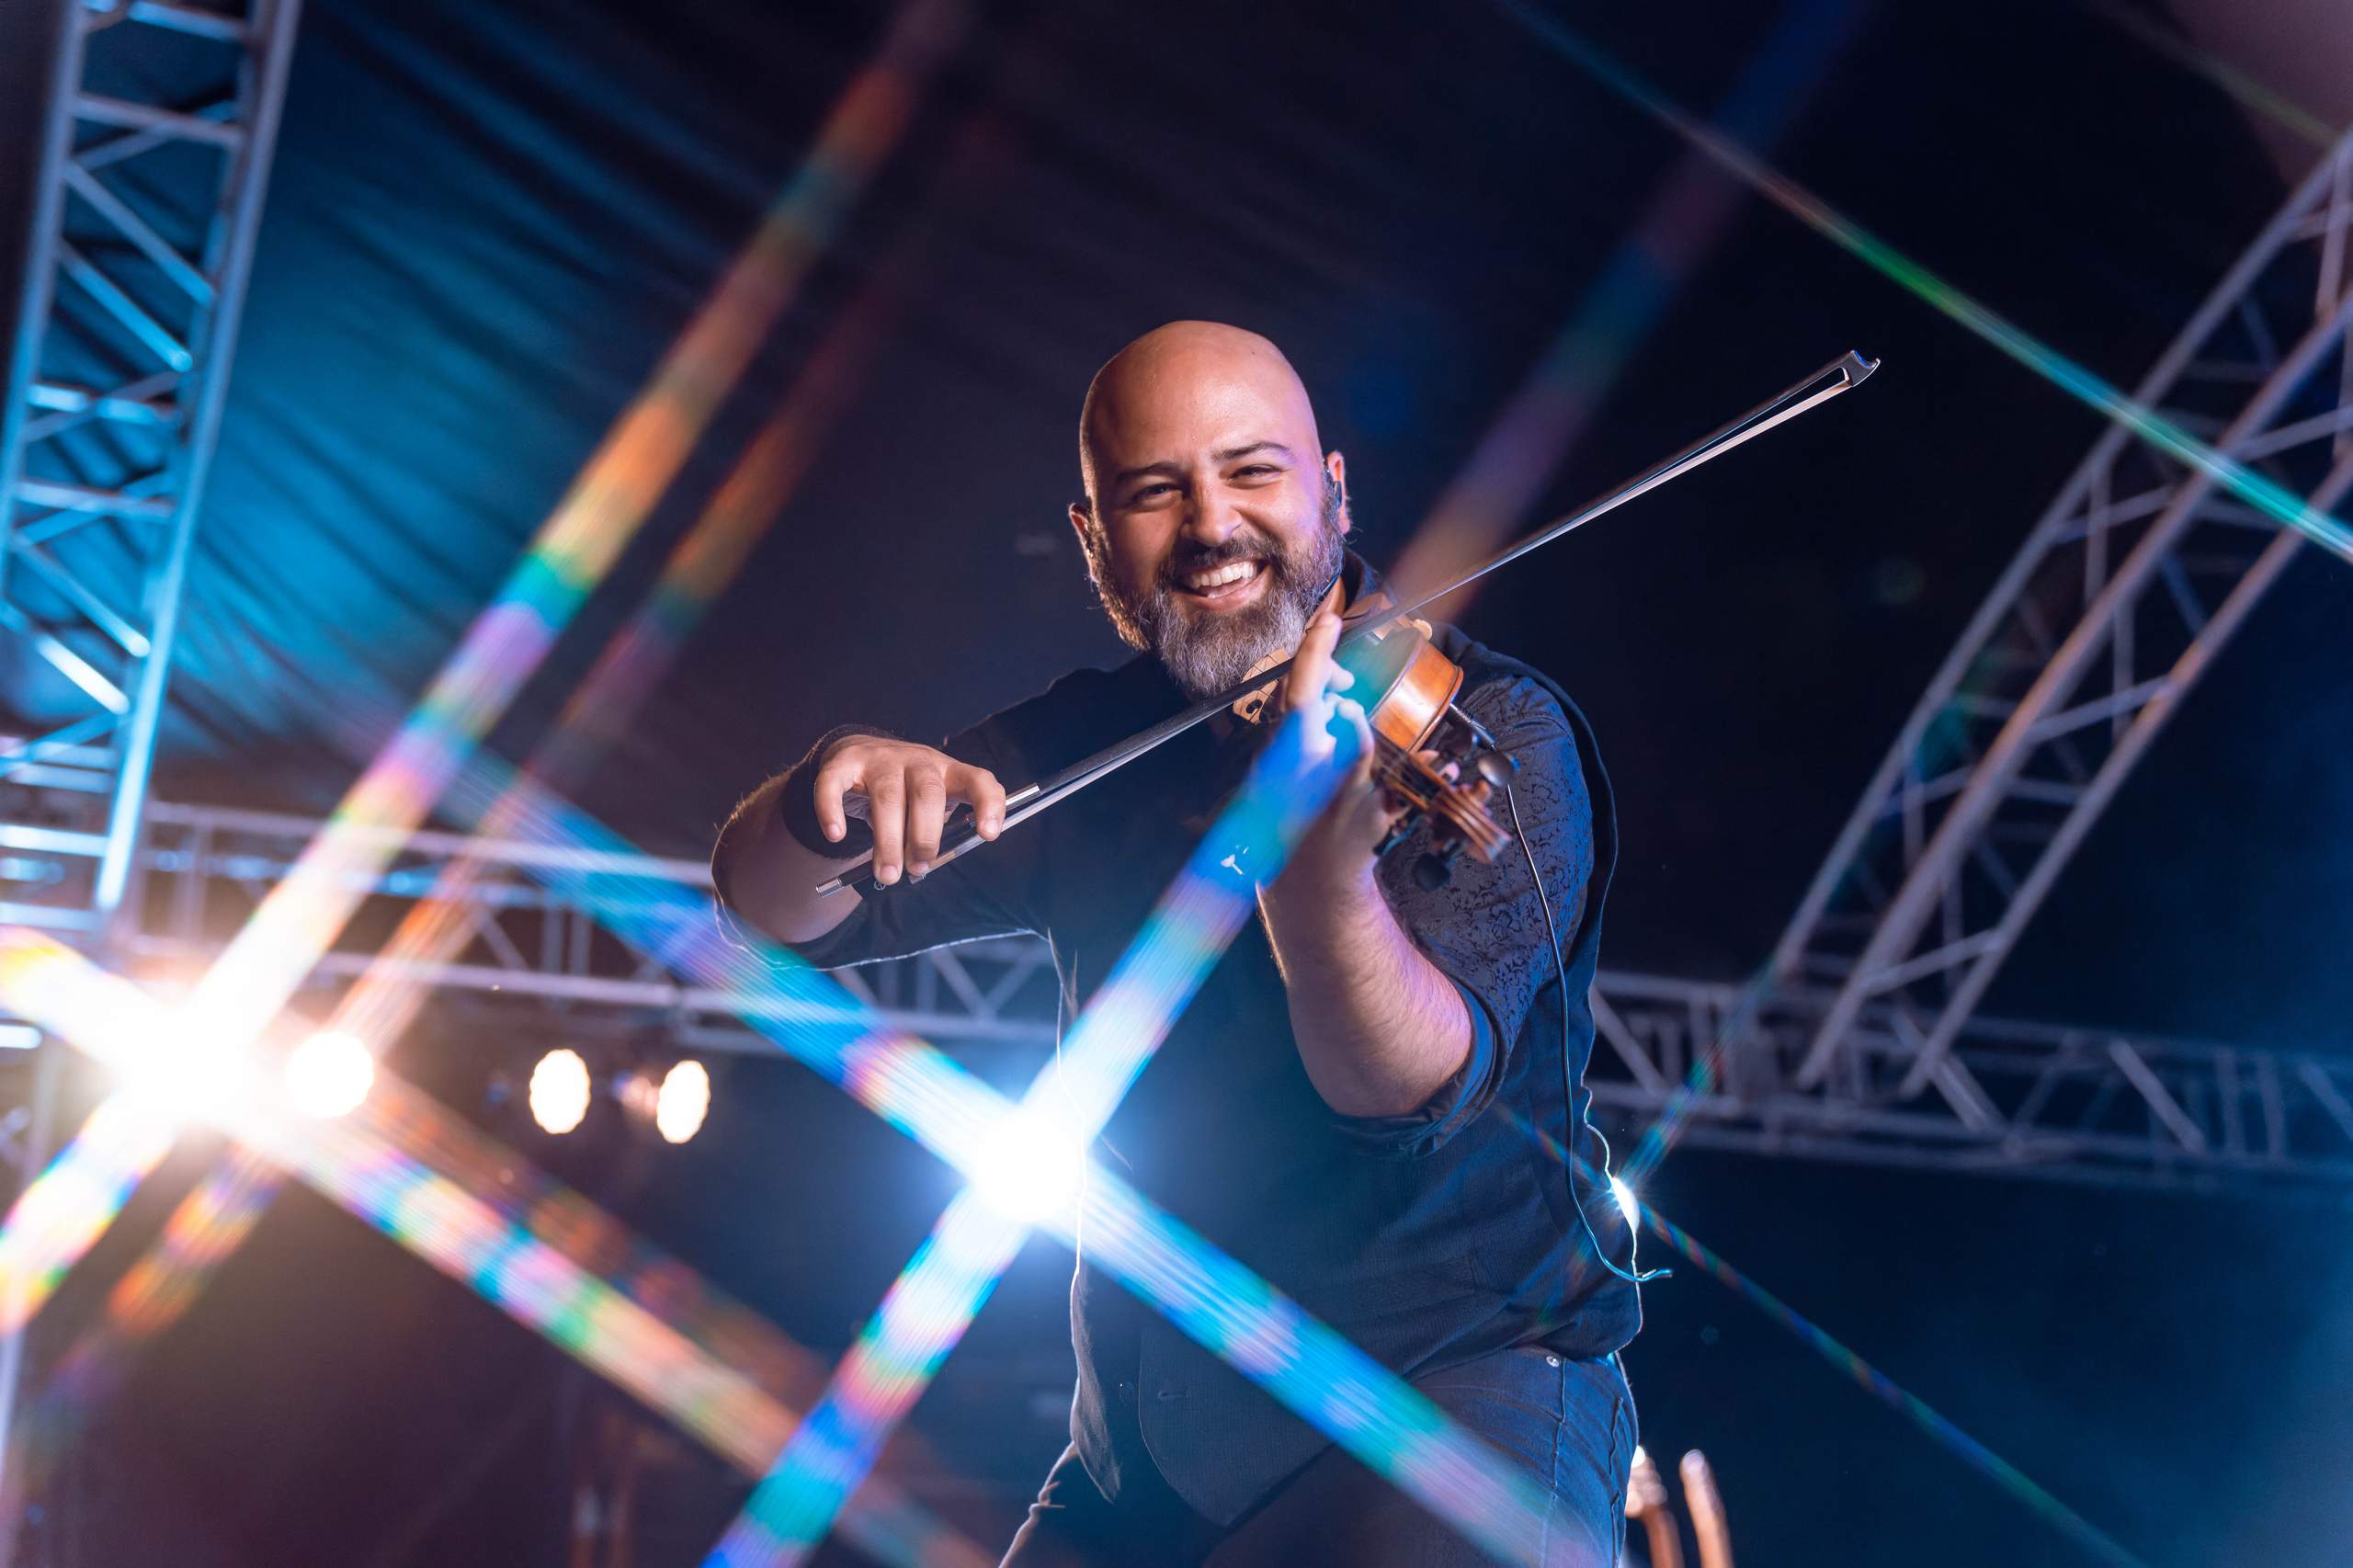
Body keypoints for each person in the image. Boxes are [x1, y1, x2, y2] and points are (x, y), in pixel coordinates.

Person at [713, 322, 1640, 1565]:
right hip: (1156, 1448)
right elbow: (772, 914)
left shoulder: (1494, 732)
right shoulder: (1090, 742)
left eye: (1252, 471)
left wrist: (1310, 877)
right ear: (1097, 542)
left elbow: (1408, 1085)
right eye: (1155, 491)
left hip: (1450, 1394)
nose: (1211, 524)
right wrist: (821, 796)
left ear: (1334, 491)